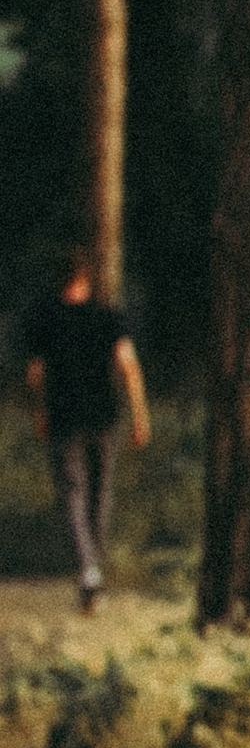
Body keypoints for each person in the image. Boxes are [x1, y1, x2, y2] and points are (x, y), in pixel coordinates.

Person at [22, 252, 150, 612]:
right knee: (100, 492)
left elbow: (35, 374)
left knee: (71, 493)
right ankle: (94, 566)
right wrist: (140, 415)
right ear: (86, 281)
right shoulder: (107, 317)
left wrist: (40, 412)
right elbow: (129, 367)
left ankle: (87, 567)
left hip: (64, 418)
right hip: (104, 418)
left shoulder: (45, 321)